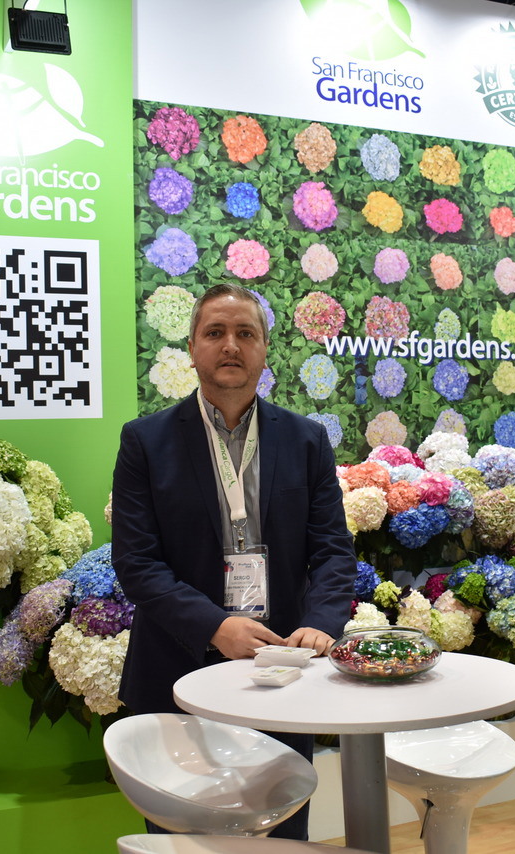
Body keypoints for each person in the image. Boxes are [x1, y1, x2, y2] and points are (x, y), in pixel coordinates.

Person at [110, 283, 356, 841]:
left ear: (264, 349)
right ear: (192, 348)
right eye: (215, 332)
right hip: (177, 667)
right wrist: (214, 626)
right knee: (184, 839)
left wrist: (321, 623)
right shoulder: (145, 441)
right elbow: (138, 562)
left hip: (281, 668)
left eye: (246, 333)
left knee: (283, 832)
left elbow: (332, 549)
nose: (230, 345)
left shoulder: (307, 440)